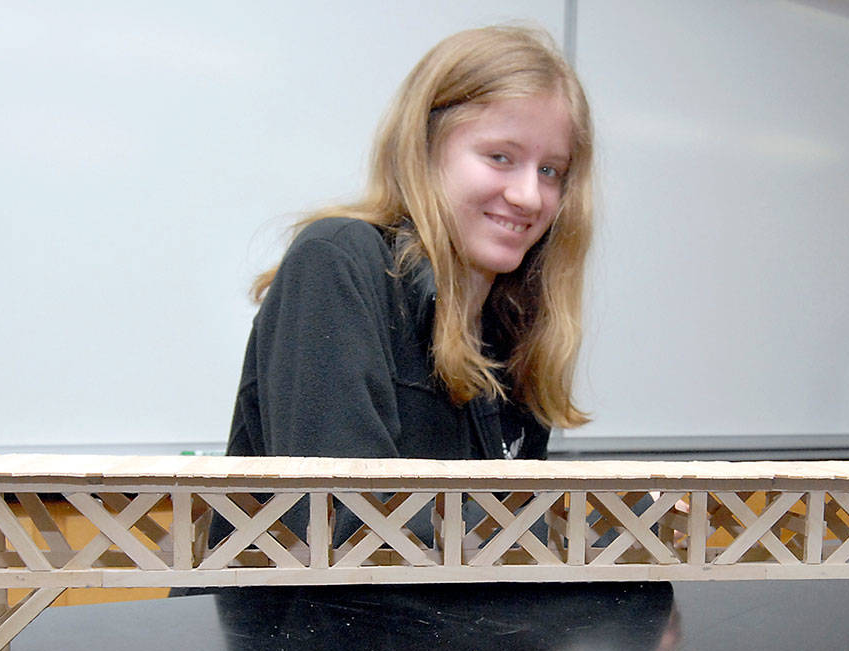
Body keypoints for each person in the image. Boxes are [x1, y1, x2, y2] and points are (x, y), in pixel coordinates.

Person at [223, 24, 594, 470]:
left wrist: (638, 522)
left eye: (551, 171)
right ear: (423, 148)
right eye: (501, 157)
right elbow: (350, 522)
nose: (529, 196)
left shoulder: (513, 324)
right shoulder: (337, 263)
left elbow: (509, 525)